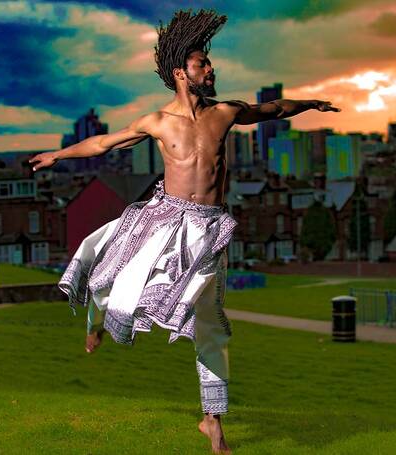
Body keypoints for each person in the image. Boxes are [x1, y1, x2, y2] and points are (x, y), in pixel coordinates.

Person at [29, 8, 339, 454]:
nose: (211, 69)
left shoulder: (225, 112)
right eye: (202, 64)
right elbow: (101, 143)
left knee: (209, 323)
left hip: (209, 229)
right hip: (164, 217)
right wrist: (56, 156)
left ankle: (212, 421)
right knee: (112, 267)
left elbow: (271, 109)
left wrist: (309, 103)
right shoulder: (157, 122)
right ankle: (96, 324)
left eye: (210, 63)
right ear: (181, 72)